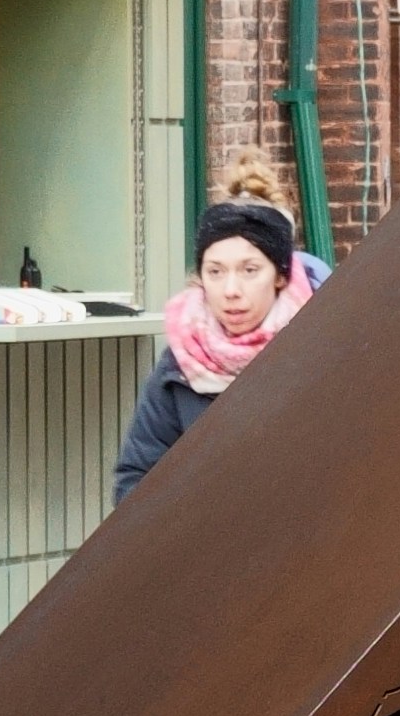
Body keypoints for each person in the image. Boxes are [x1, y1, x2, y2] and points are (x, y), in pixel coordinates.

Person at [114, 177, 322, 494]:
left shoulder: (321, 352)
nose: (230, 291)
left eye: (249, 270)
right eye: (215, 271)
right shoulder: (180, 363)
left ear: (280, 275)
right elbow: (137, 478)